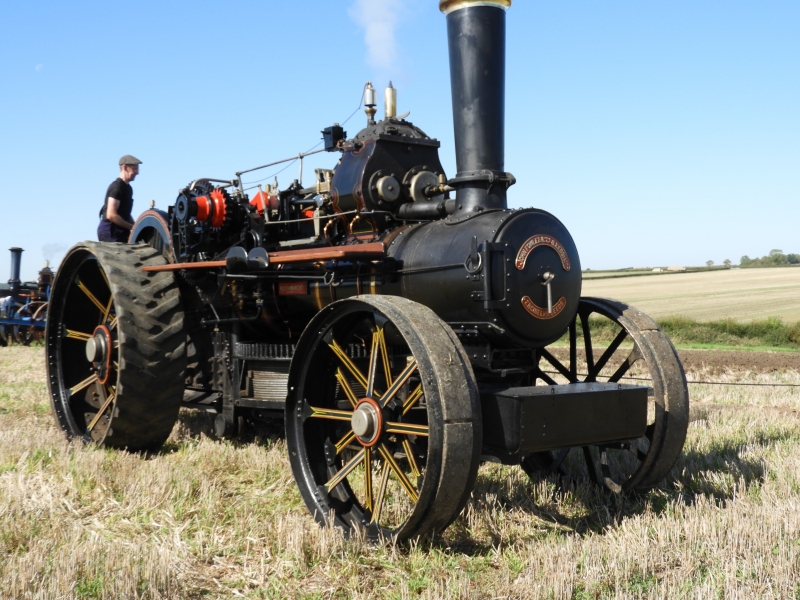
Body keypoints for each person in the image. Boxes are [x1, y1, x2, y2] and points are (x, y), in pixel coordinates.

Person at [97, 155, 142, 242]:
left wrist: (136, 226)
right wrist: (132, 227)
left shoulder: (128, 188)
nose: (137, 173)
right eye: (134, 169)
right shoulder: (116, 187)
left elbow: (125, 214)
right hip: (110, 231)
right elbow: (111, 215)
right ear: (125, 167)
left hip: (121, 231)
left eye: (137, 170)